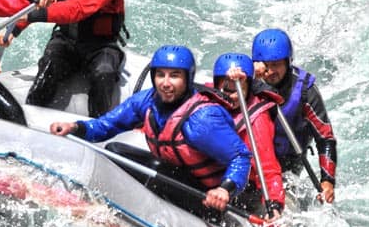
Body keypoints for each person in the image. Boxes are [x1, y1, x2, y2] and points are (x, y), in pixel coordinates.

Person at [50, 45, 252, 217]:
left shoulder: (202, 120)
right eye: (160, 75)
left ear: (188, 79)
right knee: (115, 151)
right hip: (175, 174)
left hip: (206, 197)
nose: (165, 83)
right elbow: (106, 125)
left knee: (153, 175)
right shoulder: (147, 101)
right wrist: (75, 127)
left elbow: (241, 156)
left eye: (174, 76)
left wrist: (225, 190)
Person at [251, 29, 337, 204]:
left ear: (288, 62)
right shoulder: (246, 83)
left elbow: (325, 138)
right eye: (266, 65)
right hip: (253, 160)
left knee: (286, 204)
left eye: (276, 64)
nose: (270, 72)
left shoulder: (306, 91)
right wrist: (250, 78)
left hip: (287, 165)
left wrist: (327, 181)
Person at [212, 53, 285, 218]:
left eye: (238, 90)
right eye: (227, 90)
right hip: (213, 175)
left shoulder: (257, 121)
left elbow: (268, 168)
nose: (232, 96)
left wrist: (274, 204)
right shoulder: (208, 99)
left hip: (245, 187)